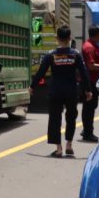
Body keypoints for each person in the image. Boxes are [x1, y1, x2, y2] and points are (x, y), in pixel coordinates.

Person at [32, 26, 91, 157]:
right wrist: (87, 90)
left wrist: (32, 86)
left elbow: (40, 72)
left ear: (57, 38)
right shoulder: (75, 54)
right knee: (71, 117)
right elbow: (83, 73)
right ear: (70, 38)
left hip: (56, 90)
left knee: (55, 118)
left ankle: (58, 148)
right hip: (71, 91)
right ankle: (69, 144)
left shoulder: (51, 55)